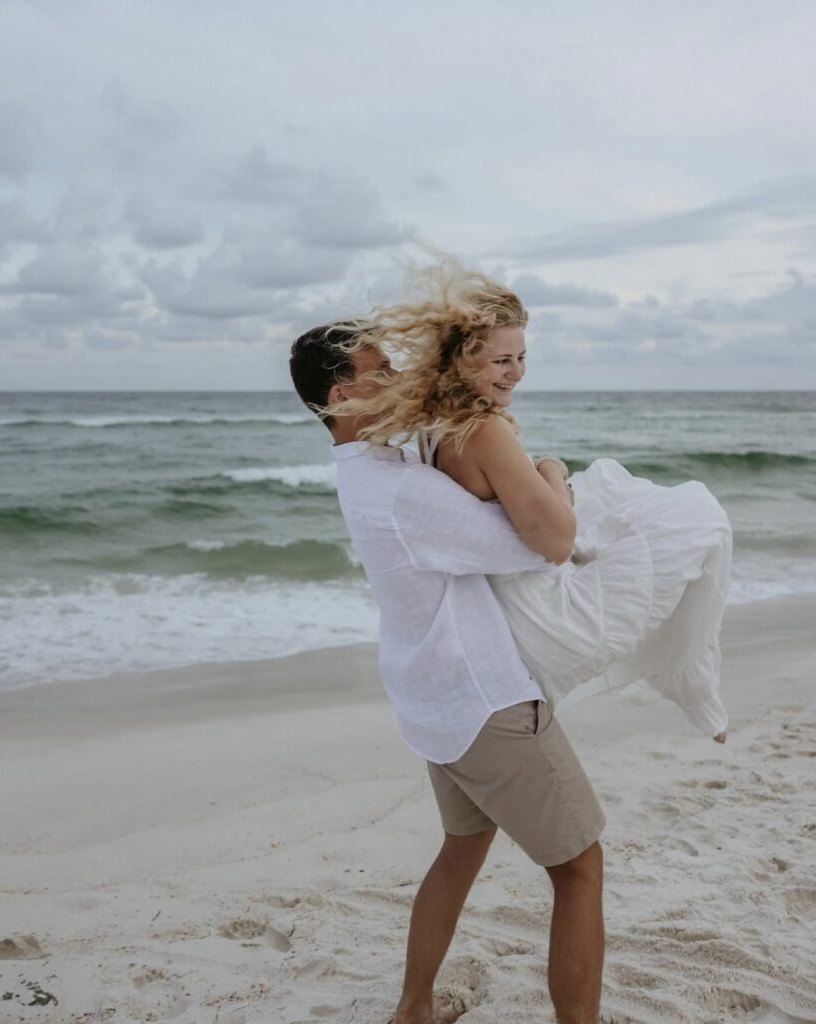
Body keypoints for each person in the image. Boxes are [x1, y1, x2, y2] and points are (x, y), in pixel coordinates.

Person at [290, 323, 607, 1024]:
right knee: (581, 866)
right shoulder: (402, 493)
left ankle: (413, 1009)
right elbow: (540, 546)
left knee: (463, 848)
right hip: (484, 700)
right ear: (345, 397)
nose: (400, 375)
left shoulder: (374, 470)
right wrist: (550, 470)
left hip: (431, 701)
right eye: (383, 370)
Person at [325, 259, 732, 744]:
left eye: (521, 358)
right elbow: (558, 544)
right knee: (700, 514)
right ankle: (691, 681)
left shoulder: (432, 427)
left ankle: (688, 677)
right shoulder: (484, 430)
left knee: (614, 491)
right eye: (501, 360)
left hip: (505, 609)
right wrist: (550, 468)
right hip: (542, 618)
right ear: (461, 360)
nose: (516, 373)